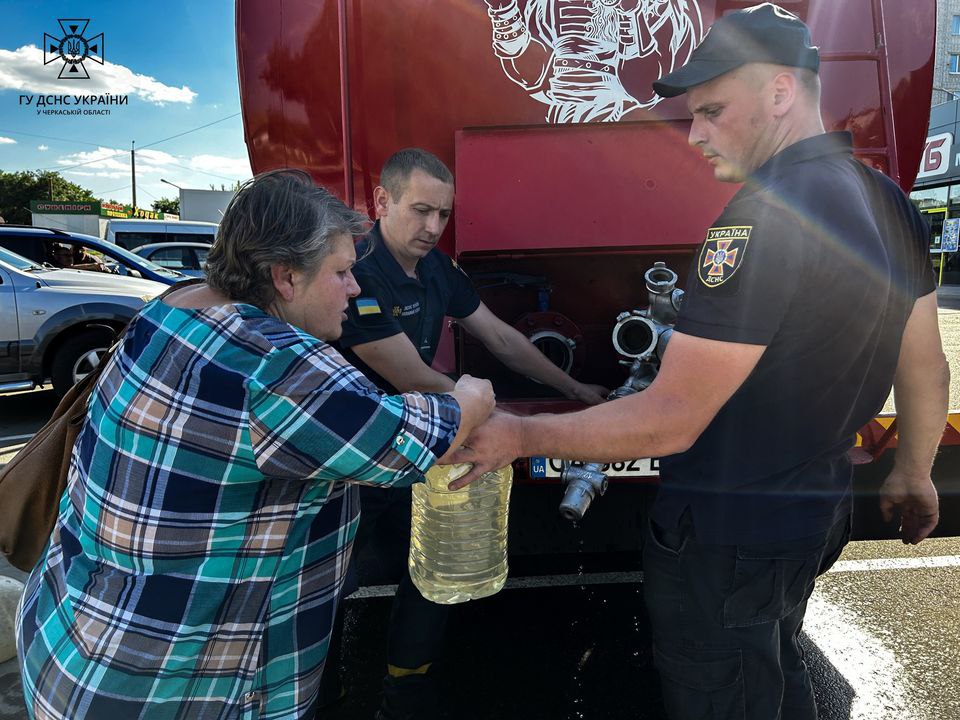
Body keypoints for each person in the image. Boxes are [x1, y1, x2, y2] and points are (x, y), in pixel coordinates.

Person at [450, 4, 948, 719]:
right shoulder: (888, 200)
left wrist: (521, 436)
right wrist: (913, 470)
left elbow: (670, 419)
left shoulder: (760, 219)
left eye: (712, 110)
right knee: (772, 673)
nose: (695, 134)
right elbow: (926, 367)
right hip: (813, 511)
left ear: (779, 93)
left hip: (728, 535)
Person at [15, 170, 495, 720]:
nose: (355, 288)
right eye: (341, 273)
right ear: (285, 278)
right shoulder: (274, 361)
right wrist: (470, 399)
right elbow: (409, 442)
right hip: (173, 694)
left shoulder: (169, 310)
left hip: (73, 647)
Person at [326, 147, 607, 718]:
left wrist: (576, 391)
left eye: (444, 215)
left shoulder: (437, 269)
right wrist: (482, 407)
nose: (433, 228)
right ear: (382, 201)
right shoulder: (354, 272)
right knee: (333, 582)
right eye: (420, 210)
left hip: (415, 449)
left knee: (425, 578)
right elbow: (413, 374)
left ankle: (405, 696)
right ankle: (319, 696)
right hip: (349, 458)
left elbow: (501, 337)